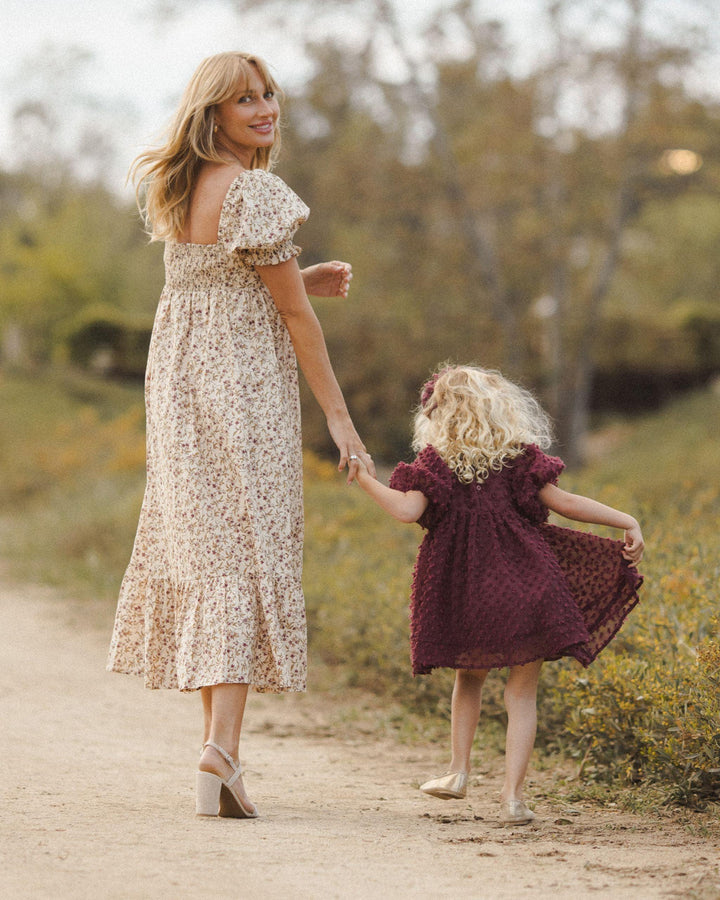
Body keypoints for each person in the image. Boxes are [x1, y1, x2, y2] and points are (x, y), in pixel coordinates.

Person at [106, 51, 374, 819]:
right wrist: (339, 418)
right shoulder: (253, 190)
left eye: (268, 95)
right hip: (243, 389)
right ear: (213, 113)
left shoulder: (185, 184)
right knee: (246, 554)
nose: (265, 109)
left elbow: (213, 284)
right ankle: (220, 752)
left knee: (211, 552)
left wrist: (302, 277)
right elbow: (291, 316)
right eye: (244, 100)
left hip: (182, 388)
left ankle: (219, 755)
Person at [350, 365, 643, 825]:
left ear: (439, 415)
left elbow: (406, 511)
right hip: (529, 585)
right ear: (498, 408)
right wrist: (626, 520)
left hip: (469, 593)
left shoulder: (435, 464)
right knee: (522, 694)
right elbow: (566, 504)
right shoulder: (519, 459)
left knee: (469, 680)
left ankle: (458, 772)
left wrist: (367, 479)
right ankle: (513, 799)